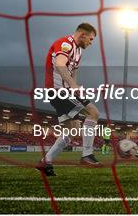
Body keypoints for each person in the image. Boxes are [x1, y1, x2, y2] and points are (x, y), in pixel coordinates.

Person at [37, 23, 102, 177]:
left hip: (66, 91)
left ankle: (46, 162)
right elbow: (60, 65)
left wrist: (76, 88)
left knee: (72, 130)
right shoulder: (65, 43)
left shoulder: (78, 51)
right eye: (91, 39)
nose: (91, 43)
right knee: (93, 113)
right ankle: (87, 155)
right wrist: (73, 86)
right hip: (58, 91)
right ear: (82, 34)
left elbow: (73, 73)